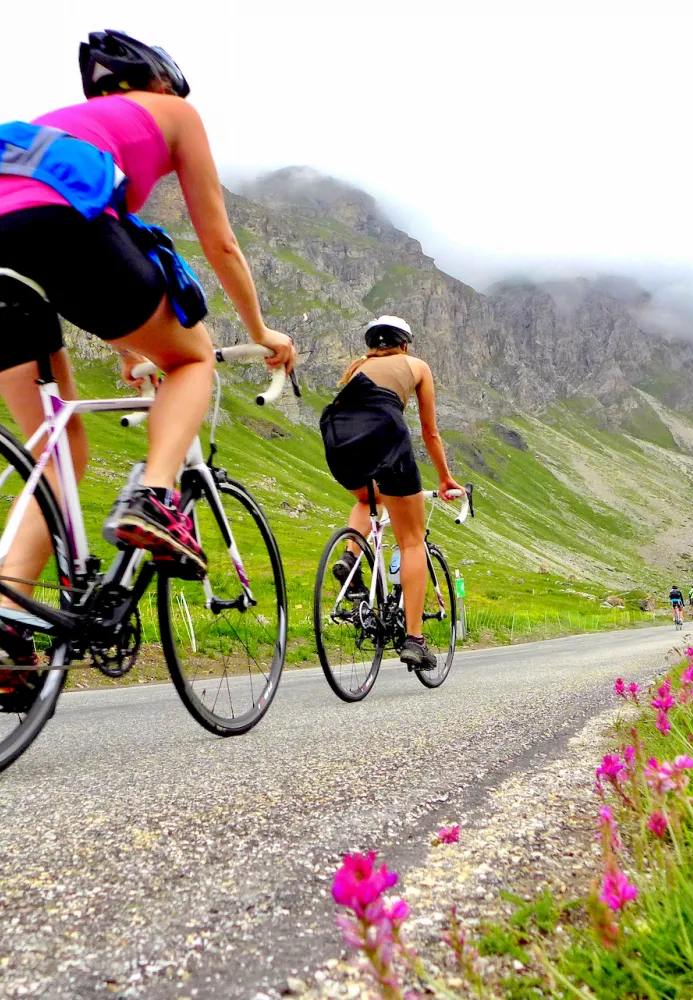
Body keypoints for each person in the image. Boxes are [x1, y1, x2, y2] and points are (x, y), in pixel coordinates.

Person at [0, 30, 295, 690]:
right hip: (60, 229)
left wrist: (133, 349)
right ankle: (156, 499)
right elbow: (218, 241)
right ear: (161, 81)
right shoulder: (175, 112)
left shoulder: (55, 127)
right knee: (193, 360)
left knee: (58, 450)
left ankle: (9, 623)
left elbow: (64, 262)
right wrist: (261, 331)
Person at [320, 315, 463, 671]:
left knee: (366, 498)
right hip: (383, 428)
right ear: (404, 344)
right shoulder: (416, 365)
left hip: (336, 432)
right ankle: (414, 639)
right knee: (411, 541)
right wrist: (445, 478)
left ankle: (350, 557)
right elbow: (430, 432)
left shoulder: (356, 368)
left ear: (371, 345)